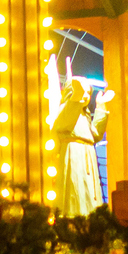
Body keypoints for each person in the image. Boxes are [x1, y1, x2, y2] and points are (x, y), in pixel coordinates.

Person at [49, 77, 108, 217]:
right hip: (73, 153)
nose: (86, 96)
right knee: (75, 188)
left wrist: (101, 106)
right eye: (83, 92)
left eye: (88, 93)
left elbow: (96, 134)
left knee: (89, 191)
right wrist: (76, 97)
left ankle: (91, 216)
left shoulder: (84, 115)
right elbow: (64, 123)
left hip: (88, 155)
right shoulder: (67, 109)